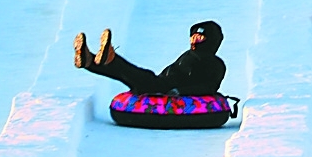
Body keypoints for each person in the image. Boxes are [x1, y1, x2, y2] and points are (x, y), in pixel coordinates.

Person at [74, 20, 227, 97]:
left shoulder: (215, 64)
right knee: (122, 75)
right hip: (161, 83)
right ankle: (90, 61)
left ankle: (111, 58)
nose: (194, 42)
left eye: (199, 38)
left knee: (136, 74)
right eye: (192, 37)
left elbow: (209, 87)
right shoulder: (190, 55)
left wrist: (180, 91)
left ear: (211, 41)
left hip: (165, 89)